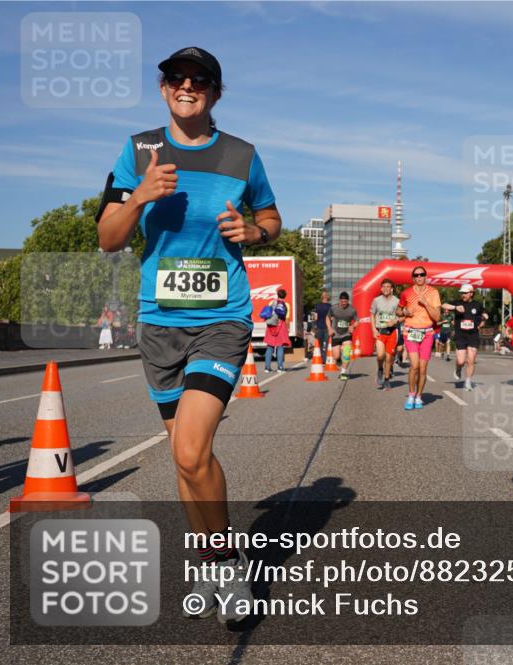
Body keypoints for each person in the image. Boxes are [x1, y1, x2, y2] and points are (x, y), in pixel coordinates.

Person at [96, 46, 280, 621]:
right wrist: (141, 196)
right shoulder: (138, 151)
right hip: (160, 322)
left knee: (192, 448)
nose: (187, 85)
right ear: (163, 88)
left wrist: (253, 232)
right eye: (177, 77)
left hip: (222, 317)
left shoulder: (242, 155)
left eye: (200, 80)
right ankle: (208, 557)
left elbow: (271, 218)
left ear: (216, 93)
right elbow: (108, 238)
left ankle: (226, 563)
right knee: (184, 460)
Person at [397, 265, 441, 409]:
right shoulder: (406, 293)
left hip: (427, 333)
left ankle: (419, 396)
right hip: (410, 332)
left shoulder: (433, 292)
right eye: (416, 275)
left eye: (421, 274)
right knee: (414, 366)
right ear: (413, 278)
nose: (419, 277)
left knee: (423, 369)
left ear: (425, 276)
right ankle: (411, 395)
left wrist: (426, 303)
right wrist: (405, 312)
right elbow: (398, 311)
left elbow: (437, 317)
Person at [443, 283, 488, 391]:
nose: (463, 294)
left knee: (471, 360)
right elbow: (443, 305)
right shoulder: (457, 303)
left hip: (473, 335)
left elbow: (484, 315)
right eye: (462, 293)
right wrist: (455, 307)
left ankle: (467, 382)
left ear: (471, 293)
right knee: (461, 361)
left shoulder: (477, 304)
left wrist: (485, 317)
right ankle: (458, 368)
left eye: (465, 293)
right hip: (460, 335)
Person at [370, 279, 401, 390]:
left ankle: (387, 379)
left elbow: (402, 316)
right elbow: (372, 314)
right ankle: (380, 369)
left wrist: (395, 321)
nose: (386, 289)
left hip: (392, 332)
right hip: (380, 331)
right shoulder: (376, 300)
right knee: (380, 355)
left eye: (388, 287)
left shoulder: (397, 301)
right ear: (381, 288)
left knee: (388, 358)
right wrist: (373, 329)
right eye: (384, 286)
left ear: (391, 289)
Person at [328, 292, 358, 380]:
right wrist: (329, 328)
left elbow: (357, 320)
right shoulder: (334, 308)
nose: (343, 303)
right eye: (342, 301)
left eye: (345, 301)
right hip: (336, 334)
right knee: (336, 356)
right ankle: (338, 360)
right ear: (339, 300)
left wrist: (353, 326)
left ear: (348, 301)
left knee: (346, 353)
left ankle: (343, 372)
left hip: (346, 334)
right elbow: (327, 318)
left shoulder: (352, 310)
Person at [262, 288, 290, 372]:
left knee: (270, 346)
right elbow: (286, 317)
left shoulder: (272, 302)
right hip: (281, 326)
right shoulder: (286, 305)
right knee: (280, 346)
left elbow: (268, 314)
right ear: (285, 296)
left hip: (271, 326)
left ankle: (267, 367)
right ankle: (280, 367)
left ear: (277, 295)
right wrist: (287, 328)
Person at [313, 291, 332, 357]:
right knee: (327, 343)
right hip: (327, 327)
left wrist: (314, 326)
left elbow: (315, 317)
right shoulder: (330, 306)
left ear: (321, 298)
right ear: (327, 298)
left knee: (320, 343)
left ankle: (322, 357)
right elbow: (332, 318)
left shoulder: (317, 306)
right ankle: (326, 357)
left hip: (319, 327)